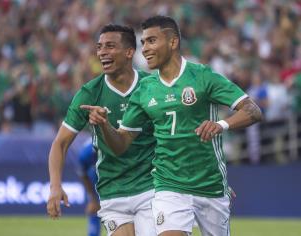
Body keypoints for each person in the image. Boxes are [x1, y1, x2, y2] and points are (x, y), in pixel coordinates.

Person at [81, 16, 263, 236]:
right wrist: (104, 125)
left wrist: (220, 124)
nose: (145, 49)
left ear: (173, 42)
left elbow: (252, 110)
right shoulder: (145, 89)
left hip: (210, 185)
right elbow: (121, 144)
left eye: (151, 41)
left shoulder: (203, 76)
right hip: (168, 185)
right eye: (143, 43)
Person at [47, 24, 157, 236]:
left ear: (129, 52)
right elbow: (60, 144)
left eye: (110, 46)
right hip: (112, 190)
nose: (102, 52)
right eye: (99, 47)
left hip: (151, 187)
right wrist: (54, 187)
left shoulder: (152, 86)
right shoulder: (89, 93)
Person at [76, 138, 101, 236]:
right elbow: (83, 174)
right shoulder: (86, 154)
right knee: (94, 211)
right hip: (95, 176)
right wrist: (93, 199)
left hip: (117, 175)